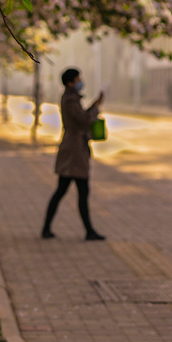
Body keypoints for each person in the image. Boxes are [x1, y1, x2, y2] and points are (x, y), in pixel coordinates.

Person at [41, 68, 106, 241]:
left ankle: (48, 228)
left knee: (65, 190)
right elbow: (84, 120)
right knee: (78, 191)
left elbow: (83, 118)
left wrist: (94, 105)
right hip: (73, 151)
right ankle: (88, 231)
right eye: (78, 79)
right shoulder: (70, 100)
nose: (80, 81)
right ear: (70, 82)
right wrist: (96, 106)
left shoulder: (71, 98)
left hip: (75, 150)